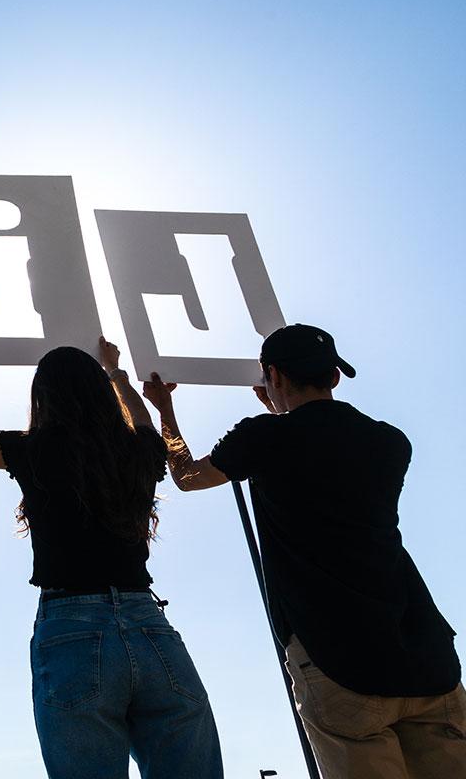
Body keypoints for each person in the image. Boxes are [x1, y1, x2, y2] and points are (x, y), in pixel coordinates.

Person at [141, 323, 466, 779]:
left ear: (273, 375)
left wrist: (165, 410)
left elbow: (187, 476)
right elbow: (324, 454)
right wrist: (278, 411)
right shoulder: (392, 442)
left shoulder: (263, 438)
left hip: (339, 661)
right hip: (426, 657)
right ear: (335, 377)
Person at [0, 336, 223, 778]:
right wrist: (117, 373)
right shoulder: (137, 449)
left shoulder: (32, 449)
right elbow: (142, 422)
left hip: (71, 628)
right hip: (149, 624)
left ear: (42, 397)